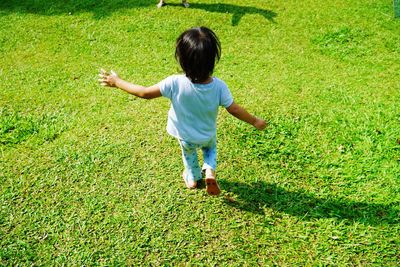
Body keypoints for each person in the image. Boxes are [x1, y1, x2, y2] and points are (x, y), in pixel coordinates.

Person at [98, 26, 266, 196]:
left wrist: (117, 82)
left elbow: (145, 93)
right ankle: (209, 170)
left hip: (185, 137)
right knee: (210, 150)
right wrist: (255, 121)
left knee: (189, 155)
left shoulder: (174, 82)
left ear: (182, 59)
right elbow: (235, 109)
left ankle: (192, 178)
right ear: (212, 59)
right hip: (207, 135)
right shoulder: (219, 86)